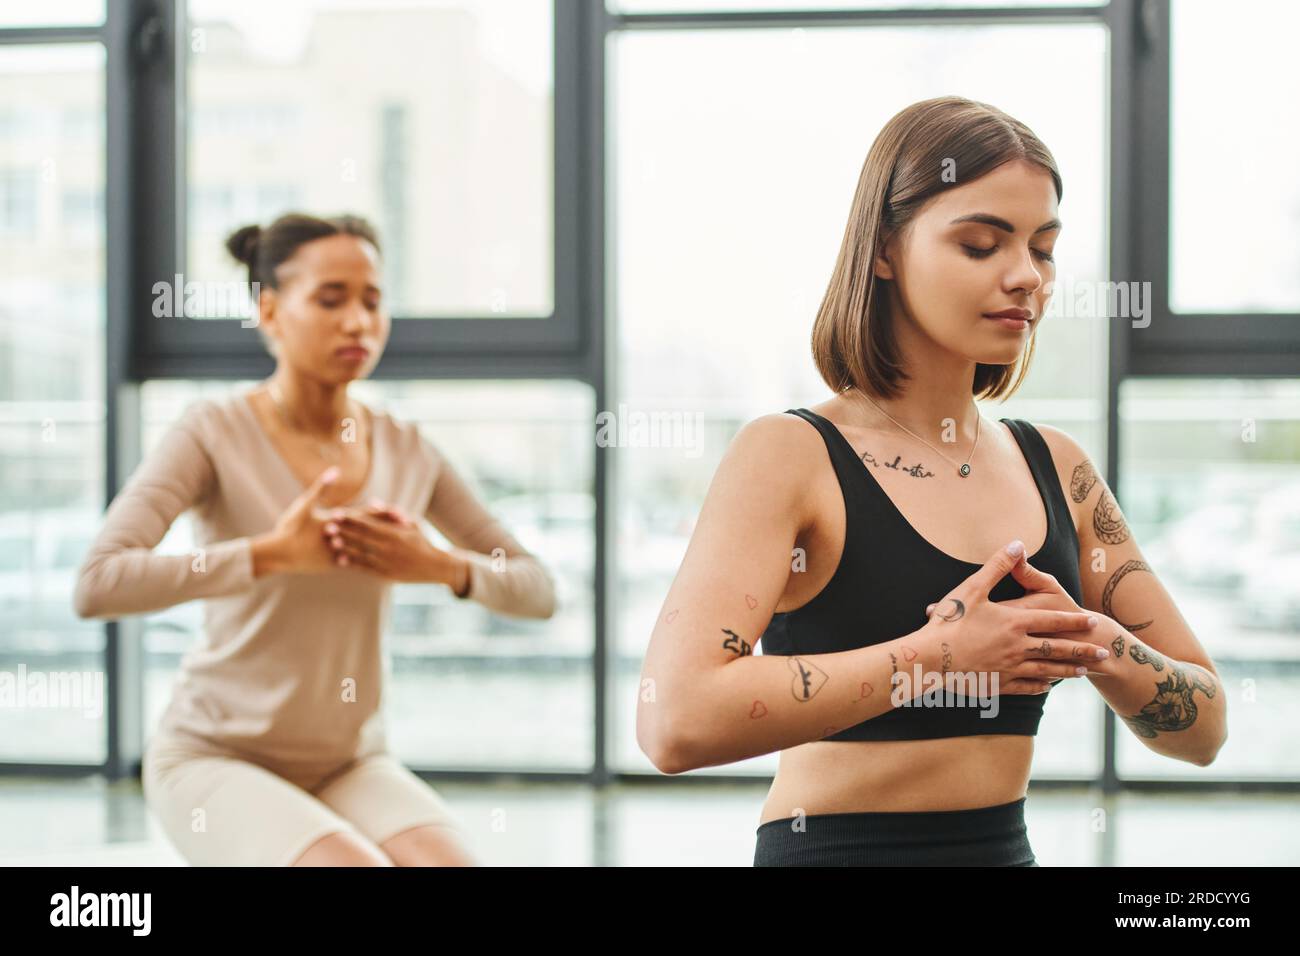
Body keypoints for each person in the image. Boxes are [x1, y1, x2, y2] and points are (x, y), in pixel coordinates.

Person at [636, 96, 1225, 866]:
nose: (1026, 278)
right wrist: (944, 657)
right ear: (883, 250)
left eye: (1042, 250)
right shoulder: (790, 453)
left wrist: (1097, 642)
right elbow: (674, 722)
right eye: (981, 245)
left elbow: (1204, 729)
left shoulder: (1058, 466)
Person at [74, 212, 558, 866]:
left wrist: (442, 566)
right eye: (330, 300)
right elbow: (98, 582)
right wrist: (266, 555)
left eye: (373, 301)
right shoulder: (210, 431)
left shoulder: (407, 449)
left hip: (349, 761)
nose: (358, 321)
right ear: (270, 312)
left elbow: (538, 591)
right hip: (215, 756)